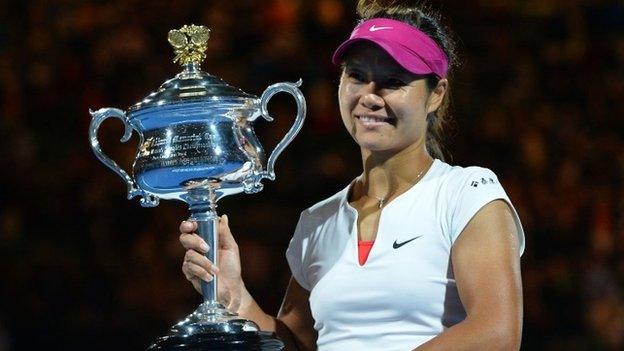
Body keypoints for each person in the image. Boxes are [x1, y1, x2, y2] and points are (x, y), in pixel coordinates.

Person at [179, 1, 525, 350]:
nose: (369, 97)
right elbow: (297, 343)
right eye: (357, 76)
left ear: (436, 94)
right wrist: (236, 298)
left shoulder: (467, 195)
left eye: (393, 81)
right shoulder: (316, 221)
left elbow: (496, 334)